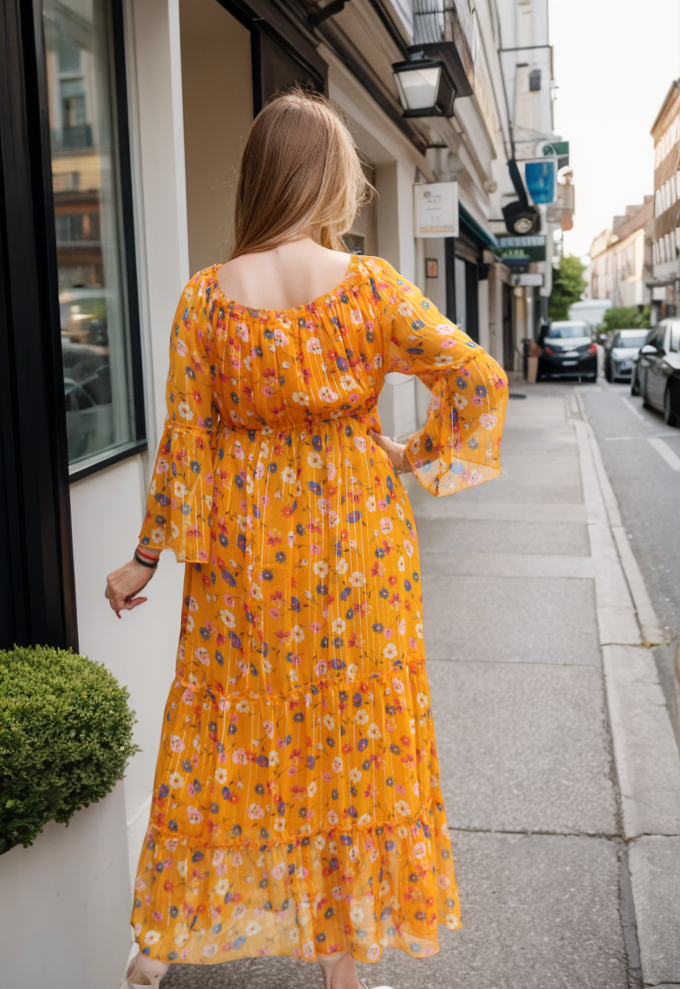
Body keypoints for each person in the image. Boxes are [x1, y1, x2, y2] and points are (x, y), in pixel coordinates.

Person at [106, 88, 508, 989]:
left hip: (247, 551)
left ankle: (158, 941)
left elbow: (185, 443)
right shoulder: (367, 287)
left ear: (258, 178)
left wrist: (144, 559)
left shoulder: (206, 300)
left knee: (223, 727)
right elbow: (478, 377)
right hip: (355, 541)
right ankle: (343, 968)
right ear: (328, 180)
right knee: (353, 736)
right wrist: (415, 456)